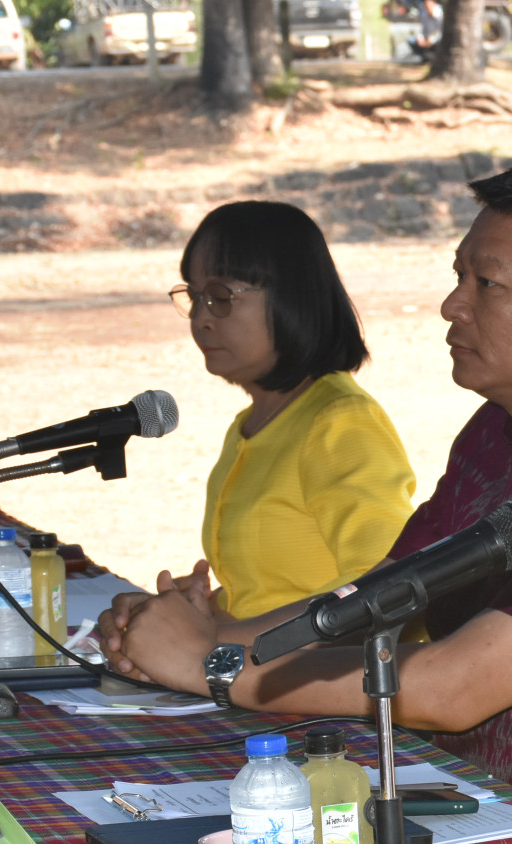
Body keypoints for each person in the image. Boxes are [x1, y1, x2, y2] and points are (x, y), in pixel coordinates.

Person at [106, 163, 512, 844]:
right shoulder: (496, 434)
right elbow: (375, 598)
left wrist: (214, 666)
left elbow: (452, 687)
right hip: (463, 795)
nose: (452, 305)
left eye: (486, 284)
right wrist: (193, 633)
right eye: (457, 277)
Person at [163, 201, 416, 620]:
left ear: (291, 298)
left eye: (221, 297)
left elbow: (384, 591)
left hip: (325, 681)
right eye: (194, 296)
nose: (201, 319)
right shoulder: (249, 427)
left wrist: (225, 644)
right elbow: (266, 593)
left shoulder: (340, 422)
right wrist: (202, 612)